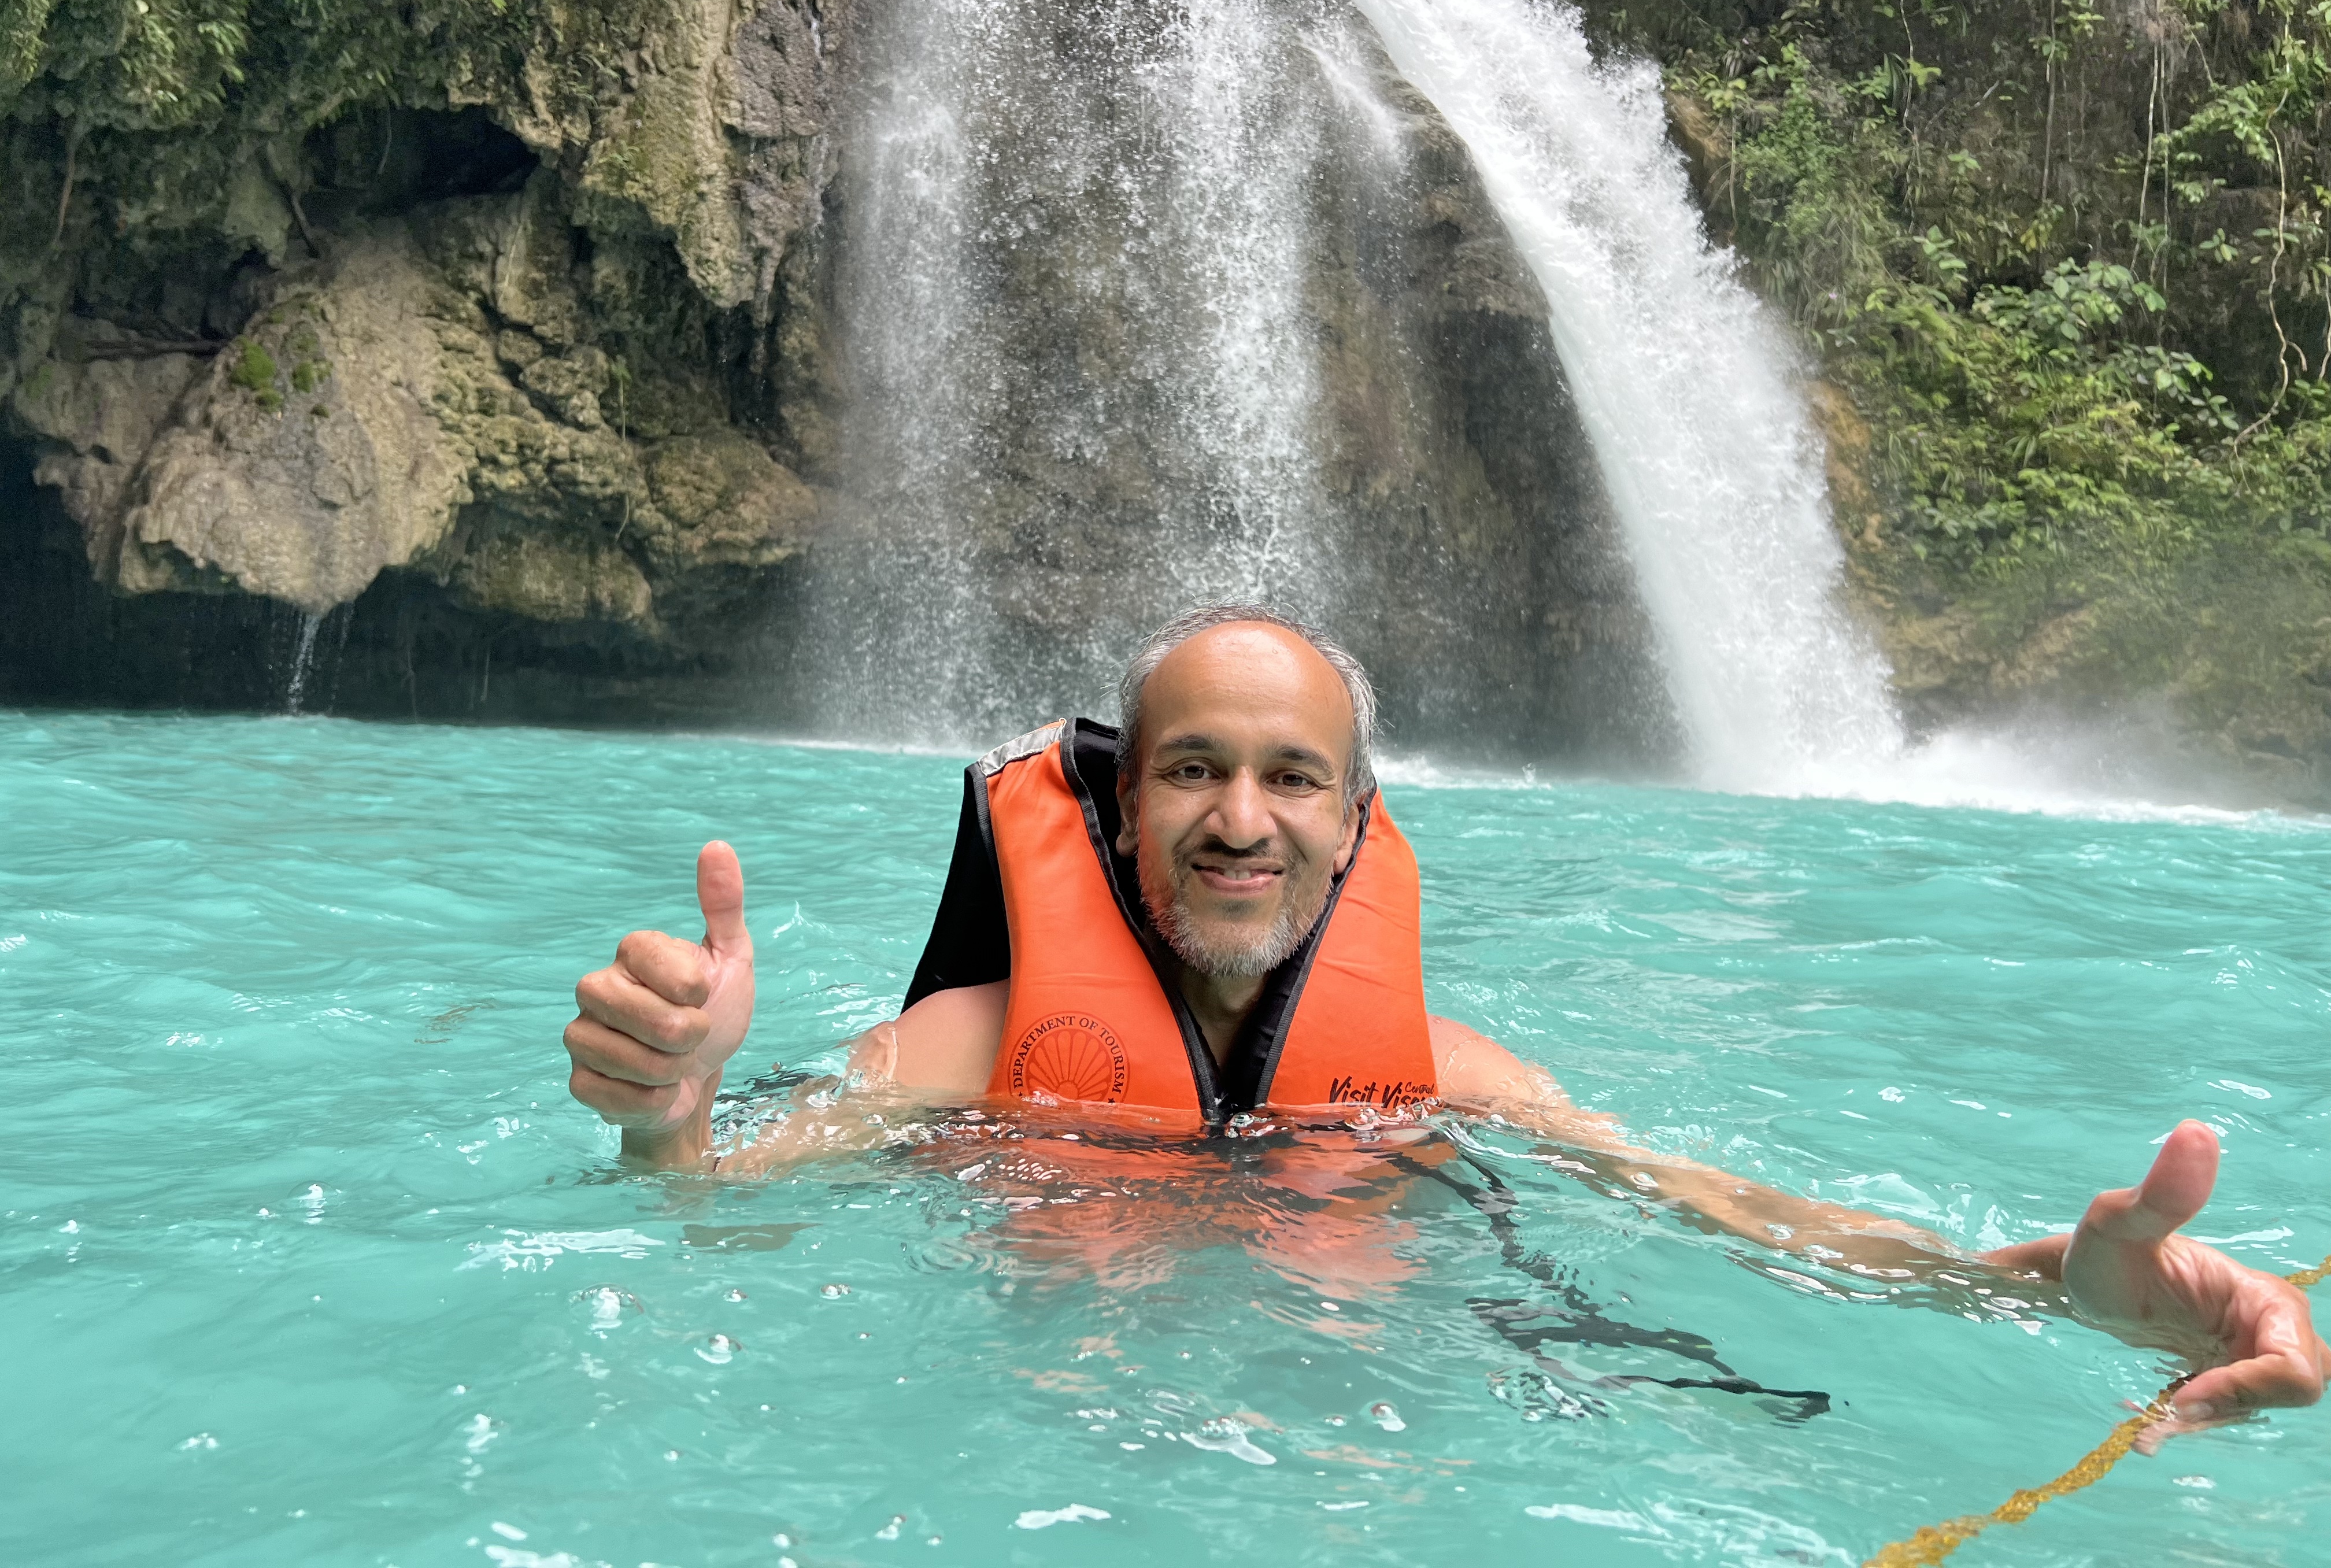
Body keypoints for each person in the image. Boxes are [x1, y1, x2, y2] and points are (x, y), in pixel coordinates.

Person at [564, 604, 2326, 1447]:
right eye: (1190, 770)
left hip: (1379, 1441)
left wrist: (2031, 1290)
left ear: (1352, 825)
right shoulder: (965, 1046)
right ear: (1114, 817)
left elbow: (1752, 1222)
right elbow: (710, 1211)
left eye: (1289, 778)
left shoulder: (1446, 1078)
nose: (1239, 817)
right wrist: (670, 1115)